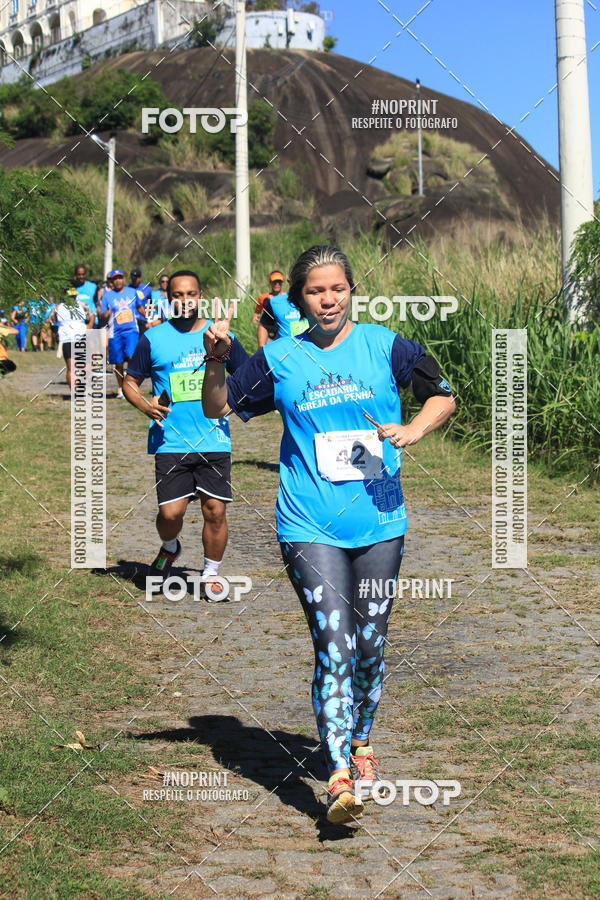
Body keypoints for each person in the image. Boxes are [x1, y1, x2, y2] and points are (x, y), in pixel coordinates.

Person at [202, 245, 456, 824]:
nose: (328, 299)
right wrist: (216, 360)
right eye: (316, 291)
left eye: (337, 288)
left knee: (370, 644)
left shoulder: (386, 346)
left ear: (351, 291)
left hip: (380, 520)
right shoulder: (280, 357)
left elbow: (443, 395)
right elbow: (219, 406)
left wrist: (413, 429)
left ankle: (361, 741)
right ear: (299, 300)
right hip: (307, 522)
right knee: (334, 643)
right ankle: (339, 773)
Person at [123, 270, 249, 592]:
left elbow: (249, 376)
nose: (185, 300)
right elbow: (130, 382)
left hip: (214, 438)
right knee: (170, 515)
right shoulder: (153, 338)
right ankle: (170, 547)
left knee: (215, 510)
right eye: (178, 295)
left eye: (191, 294)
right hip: (171, 440)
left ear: (200, 296)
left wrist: (231, 395)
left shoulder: (219, 334)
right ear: (168, 299)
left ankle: (210, 574)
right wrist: (145, 406)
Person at [98, 268, 146, 398]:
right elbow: (102, 315)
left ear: (124, 279)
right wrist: (106, 313)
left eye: (120, 278)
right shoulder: (107, 296)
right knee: (118, 362)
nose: (118, 281)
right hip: (115, 333)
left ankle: (131, 385)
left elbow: (140, 307)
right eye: (115, 279)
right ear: (112, 281)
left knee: (131, 357)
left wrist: (148, 318)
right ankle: (121, 388)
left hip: (131, 330)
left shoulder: (132, 292)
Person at [49, 289, 93, 388]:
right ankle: (75, 392)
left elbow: (92, 315)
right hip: (67, 339)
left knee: (85, 366)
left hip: (81, 337)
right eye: (70, 297)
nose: (72, 299)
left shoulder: (82, 304)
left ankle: (83, 387)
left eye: (74, 296)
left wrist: (89, 327)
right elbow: (51, 320)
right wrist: (56, 332)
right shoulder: (58, 307)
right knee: (71, 367)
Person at [256, 270, 308, 347]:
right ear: (289, 281)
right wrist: (262, 349)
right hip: (285, 349)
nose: (277, 284)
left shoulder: (316, 300)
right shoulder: (273, 301)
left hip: (310, 349)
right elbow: (263, 325)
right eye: (274, 282)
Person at [129, 268, 153, 336]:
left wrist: (149, 318)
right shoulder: (128, 288)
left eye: (135, 279)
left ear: (140, 278)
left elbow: (150, 303)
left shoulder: (147, 289)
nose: (134, 281)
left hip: (142, 319)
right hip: (131, 320)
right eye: (132, 279)